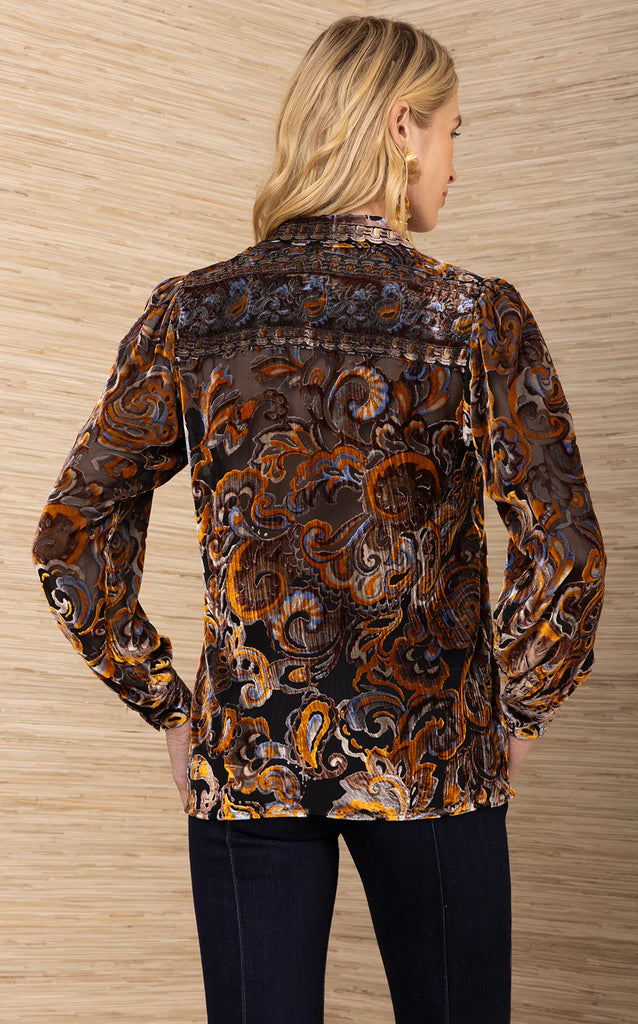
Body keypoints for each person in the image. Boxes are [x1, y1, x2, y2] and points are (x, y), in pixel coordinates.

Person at [32, 15, 606, 1024]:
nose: (455, 162)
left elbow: (72, 531)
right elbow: (566, 551)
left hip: (249, 755)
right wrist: (517, 709)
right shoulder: (473, 317)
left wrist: (171, 704)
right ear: (400, 127)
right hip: (433, 758)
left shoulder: (191, 315)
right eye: (452, 132)